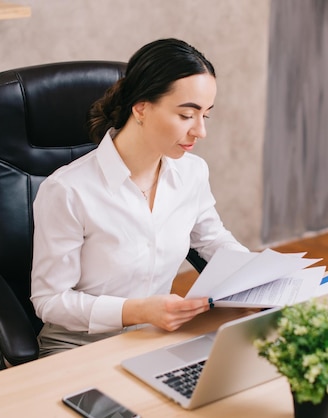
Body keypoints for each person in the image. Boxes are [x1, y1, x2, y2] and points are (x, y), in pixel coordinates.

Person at [31, 38, 248, 357]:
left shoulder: (192, 173)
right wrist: (139, 311)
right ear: (142, 107)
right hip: (78, 346)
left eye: (206, 116)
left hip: (154, 337)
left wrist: (259, 273)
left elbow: (213, 240)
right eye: (187, 115)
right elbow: (50, 301)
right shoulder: (68, 190)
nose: (200, 131)